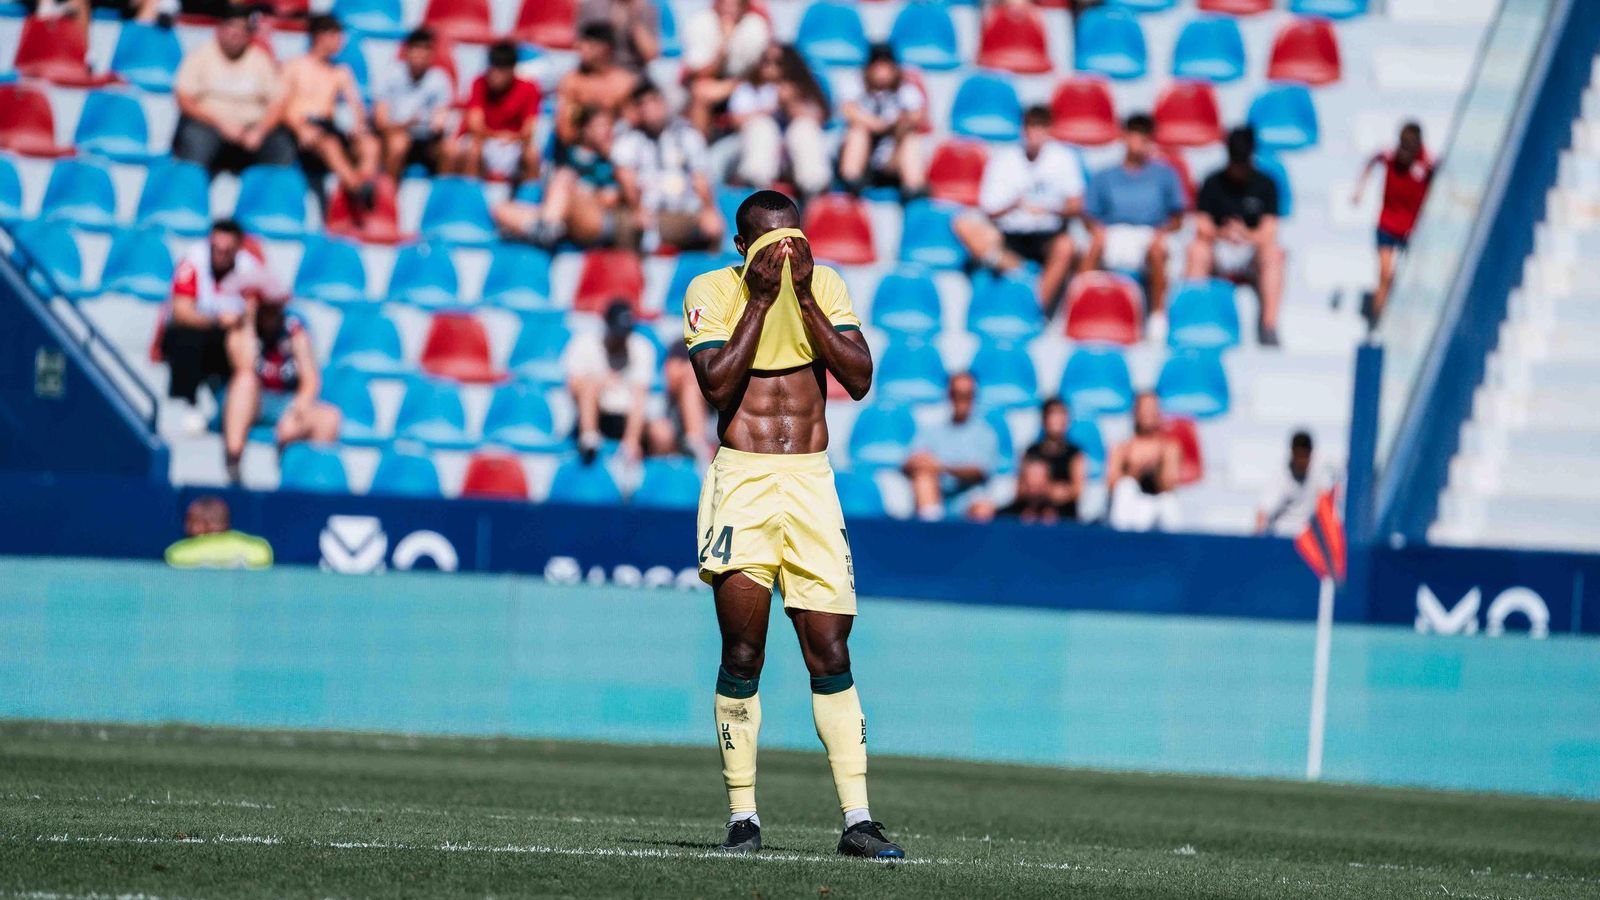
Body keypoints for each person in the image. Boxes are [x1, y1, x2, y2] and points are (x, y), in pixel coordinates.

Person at [682, 190, 900, 858]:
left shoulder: (825, 285)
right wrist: (759, 297)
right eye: (772, 244)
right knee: (743, 653)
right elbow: (718, 385)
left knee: (831, 652)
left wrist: (802, 299)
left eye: (794, 240)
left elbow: (859, 378)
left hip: (810, 484)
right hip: (743, 483)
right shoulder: (711, 289)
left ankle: (857, 820)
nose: (786, 253)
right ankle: (743, 817)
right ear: (744, 250)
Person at [953, 105, 1084, 314]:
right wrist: (1014, 205)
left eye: (1041, 127)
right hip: (1009, 233)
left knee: (1066, 247)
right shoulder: (1004, 159)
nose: (1036, 134)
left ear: (1049, 130)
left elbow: (1076, 205)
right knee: (963, 224)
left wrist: (1049, 209)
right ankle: (1015, 269)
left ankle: (1034, 309)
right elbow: (990, 209)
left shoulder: (1063, 159)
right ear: (1023, 129)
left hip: (1046, 235)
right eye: (1032, 126)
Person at [160, 220, 287, 418]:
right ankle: (186, 402)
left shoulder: (249, 267)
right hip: (200, 332)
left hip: (233, 335)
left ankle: (238, 404)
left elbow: (261, 307)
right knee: (186, 336)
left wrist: (243, 319)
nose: (220, 254)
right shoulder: (193, 262)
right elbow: (181, 312)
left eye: (227, 250)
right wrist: (219, 321)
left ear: (237, 248)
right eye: (216, 248)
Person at [220, 296, 342, 483]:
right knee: (245, 382)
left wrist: (297, 409)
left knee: (329, 418)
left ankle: (312, 481)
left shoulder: (294, 331)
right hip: (250, 402)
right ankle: (233, 461)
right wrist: (249, 321)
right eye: (265, 310)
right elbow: (244, 366)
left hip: (285, 403)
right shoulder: (241, 330)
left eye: (274, 309)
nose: (270, 316)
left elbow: (310, 379)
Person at [1081, 113, 1187, 324]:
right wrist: (1097, 231)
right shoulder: (1105, 175)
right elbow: (1088, 215)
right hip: (1114, 232)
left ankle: (1158, 317)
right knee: (1094, 245)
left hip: (1151, 232)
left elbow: (1178, 217)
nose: (1139, 143)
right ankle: (1081, 306)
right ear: (1124, 137)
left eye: (1145, 138)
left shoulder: (1166, 174)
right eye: (1135, 136)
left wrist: (1162, 232)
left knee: (1158, 249)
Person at [1187, 126, 1285, 347]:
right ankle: (1193, 318)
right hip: (1219, 247)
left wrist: (1244, 234)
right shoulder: (1212, 182)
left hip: (1251, 251)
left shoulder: (1266, 184)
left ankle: (1269, 326)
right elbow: (1201, 226)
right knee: (1196, 250)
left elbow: (1269, 231)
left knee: (1274, 254)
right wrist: (1222, 233)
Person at [171, 8, 297, 176]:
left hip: (251, 129)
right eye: (231, 27)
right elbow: (184, 99)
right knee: (196, 139)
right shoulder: (200, 56)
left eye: (243, 29)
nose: (236, 33)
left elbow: (278, 102)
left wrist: (260, 130)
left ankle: (269, 198)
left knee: (281, 145)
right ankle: (190, 194)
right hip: (210, 124)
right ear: (219, 30)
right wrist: (220, 123)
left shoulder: (260, 59)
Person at [280, 15, 380, 208]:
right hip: (303, 126)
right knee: (329, 144)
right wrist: (299, 128)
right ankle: (356, 189)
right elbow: (282, 106)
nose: (340, 41)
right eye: (335, 35)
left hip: (329, 126)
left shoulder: (340, 72)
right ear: (319, 36)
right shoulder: (294, 66)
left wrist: (358, 126)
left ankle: (364, 186)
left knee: (370, 144)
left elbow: (356, 106)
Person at [611, 80, 723, 252]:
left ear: (663, 102)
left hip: (683, 213)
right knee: (629, 223)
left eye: (653, 101)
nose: (648, 108)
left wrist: (708, 209)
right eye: (641, 104)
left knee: (713, 225)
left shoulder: (687, 135)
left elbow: (699, 177)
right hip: (648, 212)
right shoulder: (629, 139)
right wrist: (638, 208)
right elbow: (625, 176)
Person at [492, 105, 622, 248]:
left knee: (565, 176)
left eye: (610, 125)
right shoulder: (565, 152)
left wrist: (577, 192)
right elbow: (563, 120)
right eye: (601, 125)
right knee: (501, 209)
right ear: (586, 129)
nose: (608, 131)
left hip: (591, 220)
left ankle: (544, 228)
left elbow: (610, 198)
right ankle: (545, 229)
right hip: (559, 219)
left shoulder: (611, 161)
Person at [1353, 122, 1434, 325]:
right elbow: (1372, 161)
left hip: (1411, 229)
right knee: (1384, 274)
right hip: (1387, 223)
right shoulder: (1389, 157)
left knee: (1412, 279)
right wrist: (1360, 189)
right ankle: (1377, 320)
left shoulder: (1426, 165)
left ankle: (1407, 320)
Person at [728, 44, 831, 198]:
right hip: (752, 155)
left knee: (803, 128)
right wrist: (770, 108)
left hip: (794, 162)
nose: (770, 66)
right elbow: (735, 120)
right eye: (765, 60)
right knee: (762, 126)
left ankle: (814, 194)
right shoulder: (748, 88)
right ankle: (755, 193)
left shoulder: (804, 88)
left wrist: (791, 104)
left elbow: (819, 118)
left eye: (777, 61)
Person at [565, 300, 656, 463]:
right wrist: (602, 383)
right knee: (589, 384)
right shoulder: (584, 343)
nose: (620, 339)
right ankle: (589, 437)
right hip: (597, 412)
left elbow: (640, 396)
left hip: (625, 416)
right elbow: (573, 385)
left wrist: (632, 440)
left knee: (662, 434)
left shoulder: (642, 347)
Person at [903, 372, 1001, 522]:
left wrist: (940, 467)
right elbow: (909, 462)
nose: (961, 399)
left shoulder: (986, 433)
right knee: (923, 478)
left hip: (969, 499)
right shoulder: (932, 431)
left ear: (974, 397)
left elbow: (979, 470)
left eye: (967, 394)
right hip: (936, 497)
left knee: (983, 508)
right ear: (949, 396)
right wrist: (923, 464)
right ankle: (932, 535)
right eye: (956, 394)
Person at [836, 45, 927, 198]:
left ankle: (914, 189)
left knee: (911, 140)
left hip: (890, 158)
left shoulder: (906, 91)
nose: (882, 74)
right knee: (857, 132)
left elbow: (916, 116)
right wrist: (877, 124)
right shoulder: (855, 86)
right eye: (878, 68)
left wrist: (899, 124)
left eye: (886, 68)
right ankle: (851, 181)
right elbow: (848, 111)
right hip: (864, 159)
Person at [448, 41, 542, 180]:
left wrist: (512, 138)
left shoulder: (529, 88)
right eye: (493, 69)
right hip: (485, 141)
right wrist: (499, 136)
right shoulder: (479, 83)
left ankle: (529, 198)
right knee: (472, 150)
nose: (495, 76)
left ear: (512, 70)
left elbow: (529, 130)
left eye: (501, 71)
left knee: (532, 155)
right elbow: (475, 126)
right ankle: (472, 195)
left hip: (514, 144)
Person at [373, 28, 455, 180]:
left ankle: (440, 199)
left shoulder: (440, 79)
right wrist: (405, 125)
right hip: (395, 135)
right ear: (407, 52)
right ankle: (389, 197)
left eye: (425, 50)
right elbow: (380, 122)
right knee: (398, 144)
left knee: (450, 149)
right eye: (416, 50)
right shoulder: (390, 75)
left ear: (431, 54)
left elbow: (441, 117)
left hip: (427, 140)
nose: (420, 55)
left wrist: (438, 125)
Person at [682, 0, 772, 135]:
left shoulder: (755, 26)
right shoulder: (701, 22)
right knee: (700, 92)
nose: (729, 8)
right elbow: (698, 73)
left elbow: (761, 72)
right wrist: (723, 47)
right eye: (725, 3)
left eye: (734, 4)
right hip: (715, 83)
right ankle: (698, 149)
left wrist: (732, 86)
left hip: (749, 86)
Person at [554, 22, 640, 149]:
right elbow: (565, 129)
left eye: (587, 44)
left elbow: (634, 122)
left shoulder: (624, 82)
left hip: (616, 148)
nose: (579, 48)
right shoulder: (572, 82)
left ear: (604, 48)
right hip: (580, 150)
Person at [1105, 391, 1181, 532]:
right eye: (1144, 408)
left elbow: (1169, 484)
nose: (1147, 413)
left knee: (1168, 501)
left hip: (1156, 507)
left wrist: (1156, 468)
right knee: (1126, 486)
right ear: (1135, 412)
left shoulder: (1168, 448)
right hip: (1131, 510)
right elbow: (1111, 483)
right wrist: (1134, 471)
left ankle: (1174, 547)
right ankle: (1120, 541)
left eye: (1152, 408)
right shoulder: (1122, 448)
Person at [1257, 430, 1334, 537]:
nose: (1301, 460)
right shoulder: (1281, 475)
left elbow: (1326, 501)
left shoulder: (1320, 470)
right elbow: (1263, 512)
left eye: (1304, 456)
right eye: (1298, 455)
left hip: (1309, 540)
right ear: (1292, 453)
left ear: (1310, 454)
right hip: (1282, 537)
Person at [1020, 397, 1086, 521]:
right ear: (1044, 418)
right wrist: (1049, 490)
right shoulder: (1031, 451)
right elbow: (1021, 489)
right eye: (1053, 414)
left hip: (1064, 514)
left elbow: (1077, 490)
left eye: (1062, 414)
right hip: (1034, 512)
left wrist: (1042, 489)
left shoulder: (1075, 453)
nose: (1058, 419)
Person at [165, 496, 273, 569]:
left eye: (191, 521)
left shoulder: (178, 552)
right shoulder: (260, 548)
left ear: (205, 524)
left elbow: (173, 557)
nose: (186, 527)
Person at [576, 0, 661, 72]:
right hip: (598, 72)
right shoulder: (592, 6)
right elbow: (582, 48)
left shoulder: (646, 9)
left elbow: (650, 54)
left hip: (633, 73)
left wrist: (634, 18)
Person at [998, 456, 1064, 524]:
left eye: (1039, 477)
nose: (1034, 482)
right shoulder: (1005, 517)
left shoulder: (1068, 515)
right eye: (1031, 476)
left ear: (1049, 482)